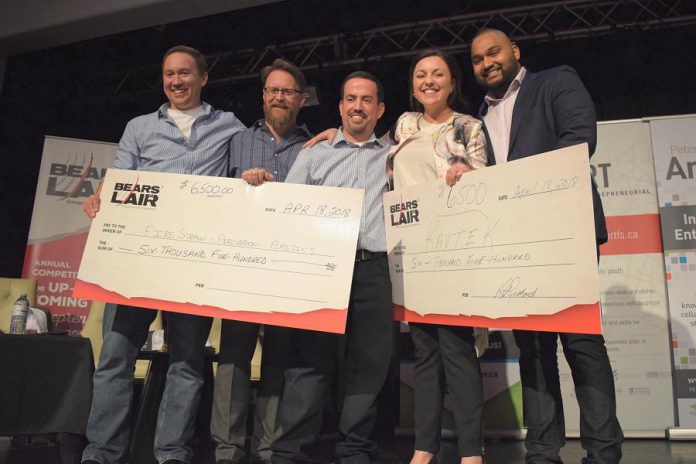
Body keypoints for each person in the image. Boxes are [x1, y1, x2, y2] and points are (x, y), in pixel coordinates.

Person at [81, 45, 245, 464]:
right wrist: (102, 195)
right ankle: (101, 453)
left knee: (188, 362)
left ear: (203, 78)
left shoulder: (229, 126)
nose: (176, 81)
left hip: (191, 264)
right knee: (116, 356)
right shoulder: (139, 126)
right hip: (137, 260)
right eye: (169, 74)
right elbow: (119, 176)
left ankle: (171, 452)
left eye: (185, 73)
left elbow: (251, 164)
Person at [466, 28, 623, 464]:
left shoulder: (555, 81)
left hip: (564, 231)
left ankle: (604, 451)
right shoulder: (479, 117)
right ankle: (541, 451)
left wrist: (524, 194)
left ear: (515, 51)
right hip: (517, 242)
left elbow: (579, 137)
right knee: (533, 350)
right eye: (477, 58)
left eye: (493, 52)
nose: (486, 63)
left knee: (581, 344)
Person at [244, 71, 393, 464]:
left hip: (373, 269)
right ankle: (292, 450)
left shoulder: (395, 154)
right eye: (349, 99)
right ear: (340, 106)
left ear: (380, 109)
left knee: (368, 364)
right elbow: (289, 208)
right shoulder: (315, 152)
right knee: (309, 362)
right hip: (323, 269)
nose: (357, 106)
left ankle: (356, 449)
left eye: (365, 99)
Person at [388, 49, 487, 464]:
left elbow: (485, 181)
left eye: (438, 74)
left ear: (452, 82)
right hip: (413, 251)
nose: (428, 81)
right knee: (425, 352)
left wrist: (468, 173)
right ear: (413, 84)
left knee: (457, 350)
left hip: (455, 248)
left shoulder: (469, 126)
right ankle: (424, 448)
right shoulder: (404, 124)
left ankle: (470, 453)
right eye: (421, 75)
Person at [211, 58, 311, 464]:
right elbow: (214, 197)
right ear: (264, 96)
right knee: (233, 358)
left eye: (287, 91)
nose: (279, 97)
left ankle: (270, 450)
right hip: (243, 268)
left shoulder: (315, 145)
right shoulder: (237, 140)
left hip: (291, 271)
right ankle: (226, 449)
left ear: (301, 99)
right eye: (273, 90)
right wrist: (241, 187)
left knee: (280, 363)